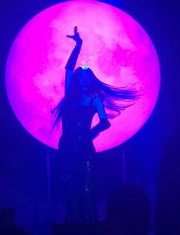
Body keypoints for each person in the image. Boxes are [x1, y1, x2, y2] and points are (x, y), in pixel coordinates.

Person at [53, 26, 139, 224]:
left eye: (87, 77)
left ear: (91, 81)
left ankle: (90, 224)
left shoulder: (94, 100)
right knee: (68, 186)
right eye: (80, 77)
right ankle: (72, 224)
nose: (83, 80)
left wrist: (89, 135)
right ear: (77, 80)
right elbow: (68, 70)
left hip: (84, 149)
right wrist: (78, 45)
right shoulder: (70, 97)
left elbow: (105, 122)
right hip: (66, 146)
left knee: (86, 187)